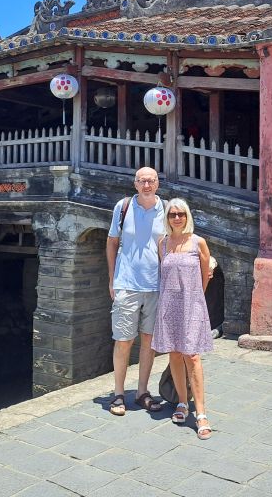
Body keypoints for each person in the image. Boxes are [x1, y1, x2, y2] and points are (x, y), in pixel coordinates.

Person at [152, 198, 214, 440]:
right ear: (167, 219)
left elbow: (205, 275)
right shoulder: (163, 243)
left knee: (193, 356)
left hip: (192, 305)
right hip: (169, 305)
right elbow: (163, 273)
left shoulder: (198, 242)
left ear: (188, 216)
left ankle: (201, 412)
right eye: (172, 214)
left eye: (181, 214)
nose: (177, 218)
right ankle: (181, 402)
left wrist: (196, 298)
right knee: (175, 354)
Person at [105, 166, 165, 416]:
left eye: (151, 180)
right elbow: (112, 242)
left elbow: (177, 242)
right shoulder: (123, 207)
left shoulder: (168, 209)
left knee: (149, 341)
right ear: (135, 184)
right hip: (127, 283)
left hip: (155, 284)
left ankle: (142, 392)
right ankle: (119, 394)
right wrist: (111, 279)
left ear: (158, 183)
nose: (147, 185)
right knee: (123, 340)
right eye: (142, 181)